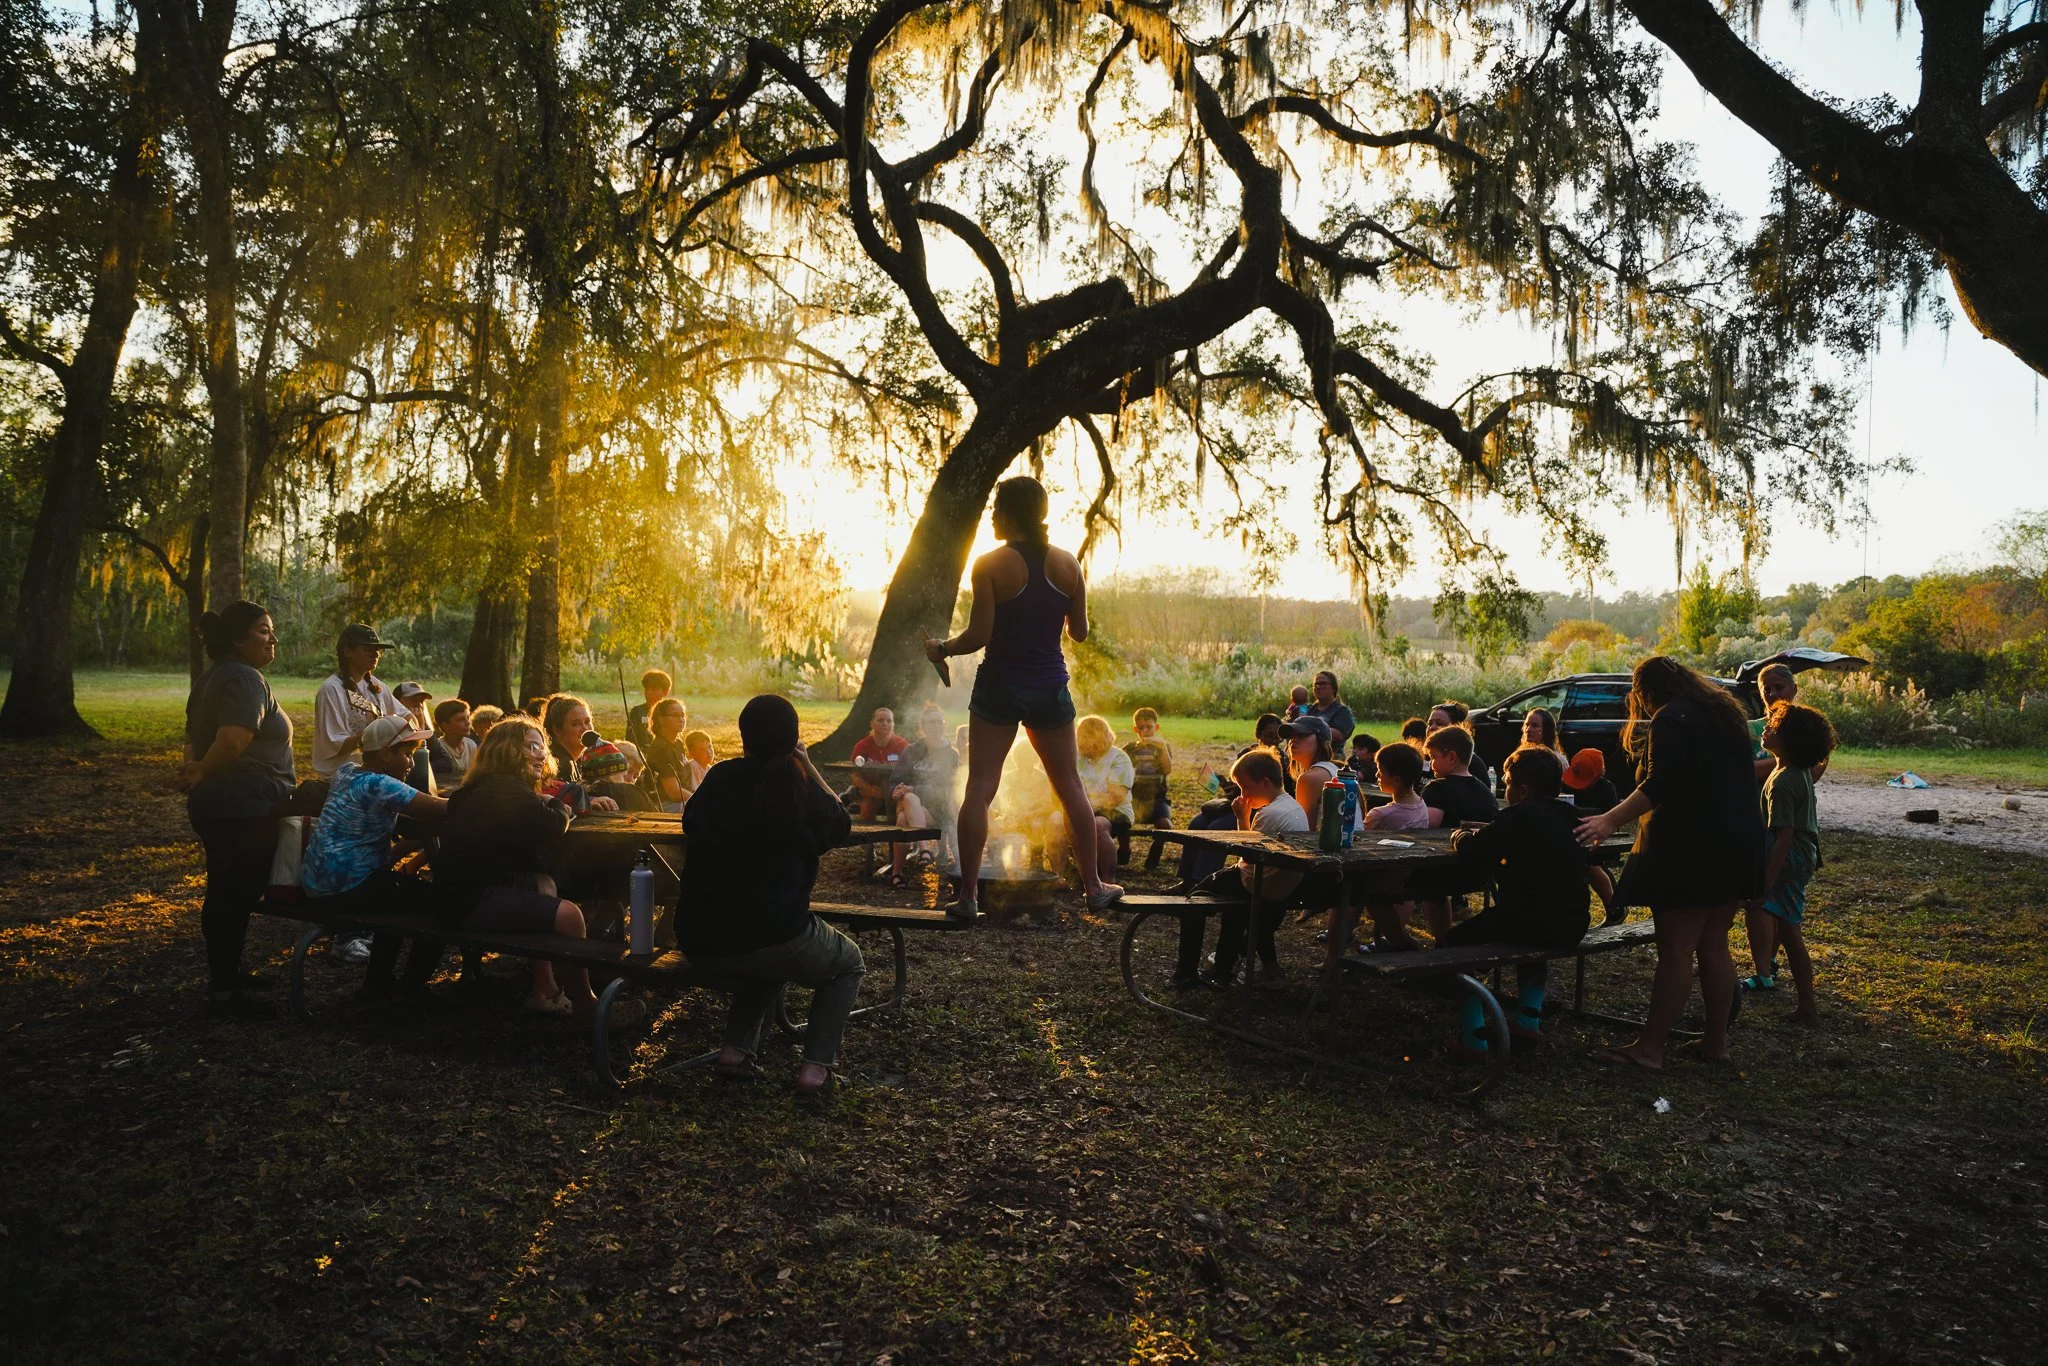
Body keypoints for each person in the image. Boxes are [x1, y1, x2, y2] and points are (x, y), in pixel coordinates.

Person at [923, 475, 1124, 918]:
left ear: (1011, 514)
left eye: (997, 508)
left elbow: (979, 634)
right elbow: (1080, 632)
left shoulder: (990, 564)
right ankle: (1094, 887)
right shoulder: (1069, 565)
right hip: (1049, 687)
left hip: (1000, 685)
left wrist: (943, 648)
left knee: (979, 787)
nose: (992, 516)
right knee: (1069, 786)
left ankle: (968, 898)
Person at [1576, 656, 1765, 1070]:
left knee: (1676, 949)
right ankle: (1715, 1044)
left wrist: (1609, 820)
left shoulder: (1670, 717)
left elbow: (1661, 782)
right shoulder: (1724, 714)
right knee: (1714, 944)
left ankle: (1649, 1049)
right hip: (1739, 840)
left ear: (1644, 692)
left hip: (1692, 845)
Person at [673, 694, 864, 1100]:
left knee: (766, 952)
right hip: (770, 935)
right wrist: (807, 765)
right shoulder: (798, 787)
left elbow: (690, 822)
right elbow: (840, 823)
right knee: (847, 962)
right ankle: (816, 1070)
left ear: (744, 737)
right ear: (793, 740)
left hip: (699, 935)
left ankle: (736, 1053)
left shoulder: (720, 778)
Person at [434, 716, 608, 1020]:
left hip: (459, 894)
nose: (541, 755)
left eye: (542, 748)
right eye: (532, 747)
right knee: (570, 915)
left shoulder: (480, 788)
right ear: (507, 750)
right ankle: (586, 1005)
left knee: (543, 883)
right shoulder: (506, 790)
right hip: (468, 901)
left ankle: (544, 989)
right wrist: (556, 804)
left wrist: (540, 800)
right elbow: (551, 826)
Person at [1433, 746, 1596, 1060]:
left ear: (1522, 791)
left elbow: (1474, 850)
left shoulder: (1519, 815)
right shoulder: (1571, 817)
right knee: (1532, 944)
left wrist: (1460, 836)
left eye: (1506, 783)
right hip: (1572, 922)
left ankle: (1474, 1037)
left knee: (1453, 944)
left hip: (1527, 919)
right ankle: (1527, 1021)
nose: (1504, 790)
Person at [176, 601, 296, 1019]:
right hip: (245, 806)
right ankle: (225, 993)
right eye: (264, 630)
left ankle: (229, 973)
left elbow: (193, 741)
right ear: (238, 639)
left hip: (224, 803)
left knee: (227, 891)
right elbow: (232, 739)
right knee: (233, 894)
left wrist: (195, 770)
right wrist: (201, 771)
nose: (272, 638)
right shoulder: (245, 678)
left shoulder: (211, 678)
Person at [300, 713, 449, 998]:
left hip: (317, 885)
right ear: (385, 753)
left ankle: (377, 983)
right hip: (349, 888)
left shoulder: (347, 772)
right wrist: (480, 800)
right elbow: (438, 808)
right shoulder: (380, 785)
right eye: (406, 754)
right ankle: (411, 988)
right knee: (441, 905)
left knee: (398, 895)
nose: (411, 763)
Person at [1172, 749, 1308, 990]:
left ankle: (1185, 971)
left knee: (1193, 900)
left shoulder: (1268, 813)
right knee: (1234, 911)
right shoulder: (1293, 806)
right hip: (1281, 884)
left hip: (1259, 882)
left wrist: (1242, 819)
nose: (1242, 794)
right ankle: (1222, 969)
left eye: (1245, 787)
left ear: (1265, 782)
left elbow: (1248, 855)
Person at [310, 623, 404, 964]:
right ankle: (345, 933)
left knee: (378, 846)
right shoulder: (332, 690)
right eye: (368, 648)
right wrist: (373, 733)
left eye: (378, 649)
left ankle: (368, 923)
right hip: (345, 780)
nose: (375, 654)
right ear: (347, 651)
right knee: (353, 851)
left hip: (375, 778)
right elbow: (333, 741)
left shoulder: (377, 688)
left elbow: (402, 717)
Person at [1743, 701, 1836, 1023]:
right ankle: (1804, 1003)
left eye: (1775, 726)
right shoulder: (1793, 772)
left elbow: (1783, 838)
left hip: (1789, 859)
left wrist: (1766, 886)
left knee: (1791, 933)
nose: (1766, 728)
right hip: (1799, 856)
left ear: (1790, 740)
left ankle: (1807, 1007)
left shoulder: (1784, 780)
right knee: (1788, 928)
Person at [1063, 714, 1131, 875]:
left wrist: (1085, 808)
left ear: (1098, 739)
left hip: (1115, 811)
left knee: (1098, 826)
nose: (1079, 743)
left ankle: (1107, 879)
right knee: (1055, 822)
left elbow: (1116, 797)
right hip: (1082, 808)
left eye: (1084, 739)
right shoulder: (1077, 756)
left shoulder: (1118, 758)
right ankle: (1060, 876)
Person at [1559, 748, 1621, 923]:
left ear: (1598, 775)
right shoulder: (1567, 783)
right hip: (1573, 837)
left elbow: (1611, 819)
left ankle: (1614, 908)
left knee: (1590, 865)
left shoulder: (1606, 788)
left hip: (1600, 839)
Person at [896, 703, 961, 870]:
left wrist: (914, 789)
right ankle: (925, 850)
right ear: (923, 727)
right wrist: (896, 790)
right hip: (909, 804)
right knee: (909, 799)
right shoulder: (912, 751)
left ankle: (898, 871)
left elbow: (947, 790)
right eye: (932, 722)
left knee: (903, 818)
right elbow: (896, 780)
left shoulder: (951, 755)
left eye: (940, 722)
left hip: (937, 810)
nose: (937, 726)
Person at [538, 694, 625, 813]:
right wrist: (588, 801)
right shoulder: (559, 763)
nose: (585, 729)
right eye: (575, 724)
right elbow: (557, 799)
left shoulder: (574, 760)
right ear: (557, 730)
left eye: (587, 722)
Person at [1286, 714, 1354, 836]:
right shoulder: (1333, 768)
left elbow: (1305, 831)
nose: (1293, 740)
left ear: (1321, 740)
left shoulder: (1309, 779)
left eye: (1301, 735)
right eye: (1291, 736)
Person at [1124, 707, 1174, 869]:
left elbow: (1167, 769)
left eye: (1149, 727)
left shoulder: (1163, 747)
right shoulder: (1130, 748)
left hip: (1157, 799)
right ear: (1135, 730)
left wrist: (1162, 747)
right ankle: (1124, 850)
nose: (1145, 731)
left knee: (1165, 826)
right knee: (1122, 819)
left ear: (1156, 727)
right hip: (1134, 798)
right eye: (1141, 728)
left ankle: (1155, 853)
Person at [1422, 726, 1498, 828]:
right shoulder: (1487, 794)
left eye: (1433, 757)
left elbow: (1427, 826)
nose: (1430, 763)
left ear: (1451, 757)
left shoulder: (1436, 789)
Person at [1361, 740, 1430, 832]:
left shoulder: (1380, 815)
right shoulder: (1422, 805)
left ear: (1396, 780)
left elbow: (1359, 834)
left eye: (1380, 771)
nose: (1377, 775)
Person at [644, 697, 693, 811]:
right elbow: (674, 793)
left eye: (682, 715)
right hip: (664, 804)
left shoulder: (678, 744)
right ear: (661, 719)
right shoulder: (661, 749)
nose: (681, 719)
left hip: (683, 800)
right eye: (675, 715)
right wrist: (701, 799)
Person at [428, 699, 478, 787]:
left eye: (468, 717)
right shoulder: (439, 749)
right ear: (445, 726)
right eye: (460, 719)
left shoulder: (471, 745)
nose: (468, 723)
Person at [1305, 670, 1356, 746]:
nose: (1318, 687)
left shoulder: (1342, 711)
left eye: (1323, 684)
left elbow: (1338, 736)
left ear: (1334, 688)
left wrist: (1310, 725)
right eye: (1315, 684)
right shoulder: (1310, 709)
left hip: (1332, 752)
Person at [627, 669, 672, 752]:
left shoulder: (670, 712)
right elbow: (630, 740)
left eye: (654, 689)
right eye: (647, 689)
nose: (649, 692)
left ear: (665, 692)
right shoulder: (637, 712)